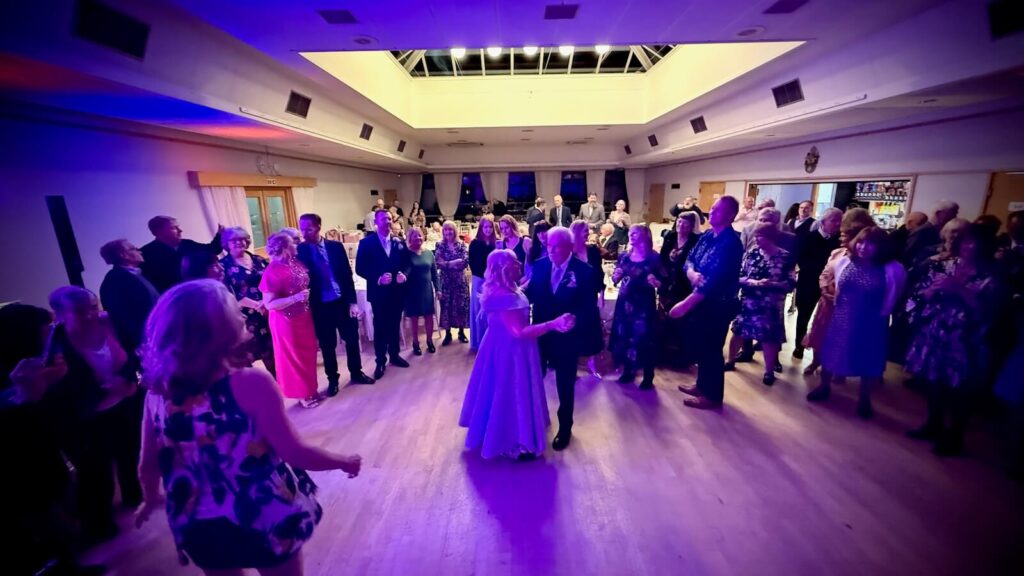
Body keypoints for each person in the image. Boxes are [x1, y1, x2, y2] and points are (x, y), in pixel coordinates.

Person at [134, 280, 361, 575]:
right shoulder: (250, 383)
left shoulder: (156, 394)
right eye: (233, 309)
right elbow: (295, 452)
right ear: (216, 330)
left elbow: (147, 464)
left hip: (198, 523)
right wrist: (344, 461)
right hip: (264, 513)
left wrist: (150, 498)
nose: (242, 315)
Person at [0, 304, 107, 576]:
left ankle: (69, 564)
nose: (50, 336)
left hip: (48, 455)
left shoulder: (37, 364)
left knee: (57, 516)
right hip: (21, 469)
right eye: (44, 332)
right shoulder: (13, 375)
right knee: (39, 523)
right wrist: (25, 397)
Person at [47, 286, 143, 544]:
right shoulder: (55, 343)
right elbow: (61, 389)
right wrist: (103, 393)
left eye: (93, 306)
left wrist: (125, 380)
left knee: (130, 452)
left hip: (124, 404)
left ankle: (134, 495)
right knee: (96, 471)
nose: (91, 314)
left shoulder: (109, 322)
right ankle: (99, 524)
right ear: (59, 314)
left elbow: (135, 353)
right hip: (88, 417)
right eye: (80, 311)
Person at [459, 250, 575, 460]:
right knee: (510, 392)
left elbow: (515, 301)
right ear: (504, 269)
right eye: (514, 262)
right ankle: (513, 439)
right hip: (510, 351)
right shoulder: (503, 296)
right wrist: (553, 324)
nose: (519, 264)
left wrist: (524, 287)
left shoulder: (508, 288)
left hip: (504, 346)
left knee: (502, 392)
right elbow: (519, 332)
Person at [904, 225, 1004, 455]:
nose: (968, 247)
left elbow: (991, 313)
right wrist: (928, 293)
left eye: (974, 243)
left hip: (967, 340)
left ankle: (955, 434)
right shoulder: (948, 265)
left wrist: (960, 290)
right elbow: (919, 295)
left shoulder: (992, 275)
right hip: (937, 332)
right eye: (965, 241)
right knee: (932, 382)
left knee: (960, 389)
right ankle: (933, 422)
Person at [807, 228, 900, 419]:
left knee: (867, 357)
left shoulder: (892, 268)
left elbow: (892, 298)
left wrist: (881, 318)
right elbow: (840, 289)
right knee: (832, 351)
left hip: (872, 320)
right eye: (861, 242)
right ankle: (824, 386)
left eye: (870, 244)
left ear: (881, 247)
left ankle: (864, 398)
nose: (863, 247)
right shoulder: (845, 261)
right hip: (843, 316)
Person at [525, 227, 599, 450]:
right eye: (549, 245)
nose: (551, 250)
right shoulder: (539, 266)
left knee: (565, 384)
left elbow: (589, 307)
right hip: (541, 335)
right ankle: (535, 422)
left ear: (570, 247)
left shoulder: (585, 272)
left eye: (556, 246)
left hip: (567, 338)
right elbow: (530, 296)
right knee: (535, 378)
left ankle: (565, 426)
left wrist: (575, 318)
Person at [668, 196, 743, 410]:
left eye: (717, 210)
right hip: (702, 300)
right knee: (702, 345)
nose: (711, 213)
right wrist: (691, 273)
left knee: (711, 349)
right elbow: (690, 258)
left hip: (717, 304)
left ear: (730, 215)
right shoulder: (709, 235)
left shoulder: (730, 242)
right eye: (711, 208)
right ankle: (702, 385)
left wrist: (688, 302)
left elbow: (716, 278)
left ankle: (712, 396)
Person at [297, 214, 374, 394]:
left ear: (318, 227)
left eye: (308, 229)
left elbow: (347, 276)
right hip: (320, 306)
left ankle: (356, 372)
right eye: (302, 229)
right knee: (327, 345)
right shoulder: (300, 251)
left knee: (352, 339)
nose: (304, 233)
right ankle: (333, 379)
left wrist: (353, 302)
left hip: (342, 302)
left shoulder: (336, 247)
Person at [801, 208, 877, 375]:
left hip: (847, 304)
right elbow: (825, 273)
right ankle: (816, 362)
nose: (842, 236)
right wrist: (824, 288)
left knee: (841, 338)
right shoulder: (837, 252)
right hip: (827, 301)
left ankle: (837, 369)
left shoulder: (866, 257)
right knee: (820, 332)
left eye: (846, 234)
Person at [724, 224, 797, 386]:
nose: (756, 240)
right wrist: (754, 282)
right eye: (756, 237)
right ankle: (730, 361)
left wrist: (772, 284)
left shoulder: (785, 257)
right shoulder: (751, 254)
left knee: (769, 339)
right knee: (738, 331)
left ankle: (769, 371)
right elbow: (740, 276)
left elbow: (791, 282)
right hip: (749, 301)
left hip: (771, 305)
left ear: (771, 238)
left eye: (760, 237)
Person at [259, 233, 321, 408]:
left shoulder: (295, 262)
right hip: (286, 322)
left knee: (308, 354)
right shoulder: (272, 271)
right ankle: (302, 394)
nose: (298, 245)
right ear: (285, 247)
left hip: (304, 317)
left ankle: (311, 389)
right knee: (294, 358)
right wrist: (296, 298)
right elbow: (269, 304)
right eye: (294, 243)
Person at [609, 225, 666, 389]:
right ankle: (628, 371)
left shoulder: (654, 258)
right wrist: (616, 276)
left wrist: (656, 282)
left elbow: (665, 281)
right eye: (630, 233)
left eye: (635, 233)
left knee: (644, 339)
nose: (631, 236)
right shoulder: (625, 256)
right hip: (624, 304)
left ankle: (648, 376)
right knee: (625, 337)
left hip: (643, 305)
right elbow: (615, 277)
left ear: (645, 236)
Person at [356, 210, 410, 380]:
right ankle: (380, 360)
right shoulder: (366, 243)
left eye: (389, 218)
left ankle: (394, 355)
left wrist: (405, 275)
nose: (387, 221)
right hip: (379, 293)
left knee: (394, 324)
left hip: (397, 292)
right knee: (380, 326)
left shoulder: (398, 241)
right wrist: (377, 278)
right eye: (383, 219)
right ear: (376, 222)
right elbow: (360, 268)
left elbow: (408, 264)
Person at [220, 227, 275, 375]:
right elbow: (226, 292)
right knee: (247, 355)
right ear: (227, 243)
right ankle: (253, 389)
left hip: (268, 311)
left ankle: (278, 386)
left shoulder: (259, 260)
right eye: (234, 240)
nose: (240, 242)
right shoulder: (223, 265)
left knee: (273, 352)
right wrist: (256, 305)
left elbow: (272, 281)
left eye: (243, 239)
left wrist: (266, 302)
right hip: (244, 317)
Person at [99, 238, 159, 368]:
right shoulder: (115, 281)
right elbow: (126, 319)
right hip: (149, 345)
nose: (139, 251)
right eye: (134, 249)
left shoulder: (134, 275)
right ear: (123, 255)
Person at [793, 208, 842, 359]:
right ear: (823, 222)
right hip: (809, 282)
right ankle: (799, 346)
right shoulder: (809, 238)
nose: (837, 224)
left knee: (826, 318)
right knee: (803, 316)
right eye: (833, 220)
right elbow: (801, 259)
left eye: (839, 221)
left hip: (830, 286)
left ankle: (820, 352)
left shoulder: (839, 240)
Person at [659, 212, 701, 367]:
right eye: (678, 222)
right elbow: (662, 257)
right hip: (666, 283)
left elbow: (694, 263)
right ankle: (665, 353)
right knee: (664, 318)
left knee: (682, 320)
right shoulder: (670, 237)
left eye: (685, 223)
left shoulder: (696, 241)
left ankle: (683, 355)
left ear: (691, 226)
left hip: (684, 285)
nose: (680, 226)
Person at [141, 215, 223, 293]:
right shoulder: (146, 254)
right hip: (175, 300)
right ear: (159, 232)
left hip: (199, 293)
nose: (180, 230)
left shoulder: (187, 243)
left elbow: (213, 249)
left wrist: (219, 234)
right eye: (174, 228)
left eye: (178, 227)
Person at [570, 220, 607, 378]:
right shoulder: (569, 251)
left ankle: (592, 363)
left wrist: (602, 294)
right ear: (577, 232)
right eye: (585, 231)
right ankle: (571, 366)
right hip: (573, 297)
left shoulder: (592, 250)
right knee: (573, 330)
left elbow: (599, 273)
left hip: (590, 295)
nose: (588, 234)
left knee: (592, 329)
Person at [402, 227, 440, 356]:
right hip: (411, 291)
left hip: (426, 290)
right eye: (414, 236)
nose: (417, 238)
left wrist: (438, 289)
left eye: (419, 236)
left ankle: (429, 341)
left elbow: (435, 274)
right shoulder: (406, 254)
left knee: (429, 316)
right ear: (409, 238)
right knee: (414, 318)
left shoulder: (429, 253)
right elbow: (405, 271)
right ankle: (415, 342)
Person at [435, 221, 471, 345]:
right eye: (446, 230)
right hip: (445, 281)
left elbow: (465, 261)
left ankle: (461, 332)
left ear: (454, 231)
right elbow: (438, 262)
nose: (448, 232)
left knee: (461, 305)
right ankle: (448, 334)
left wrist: (447, 263)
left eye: (450, 229)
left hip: (460, 281)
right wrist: (454, 262)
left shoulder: (461, 244)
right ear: (443, 231)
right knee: (446, 306)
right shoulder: (440, 245)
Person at [469, 217, 497, 350]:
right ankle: (478, 342)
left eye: (490, 227)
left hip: (492, 280)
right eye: (485, 227)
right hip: (479, 279)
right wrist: (484, 277)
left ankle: (490, 341)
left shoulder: (494, 243)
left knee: (491, 310)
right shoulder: (475, 243)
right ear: (481, 228)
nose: (488, 229)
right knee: (478, 310)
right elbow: (472, 263)